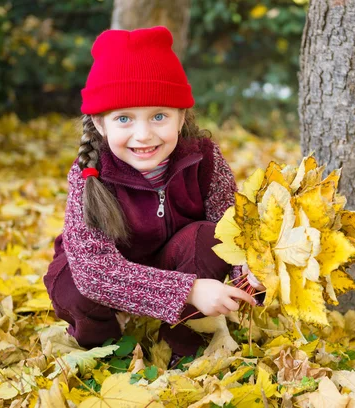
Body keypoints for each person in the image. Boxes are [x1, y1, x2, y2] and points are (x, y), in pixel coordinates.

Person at [43, 26, 257, 359]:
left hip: (177, 260)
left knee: (209, 237)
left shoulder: (204, 158)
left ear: (180, 115)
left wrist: (249, 275)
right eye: (124, 119)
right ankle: (108, 350)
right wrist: (188, 290)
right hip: (113, 276)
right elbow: (94, 271)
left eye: (159, 116)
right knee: (71, 280)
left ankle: (183, 346)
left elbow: (232, 228)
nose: (143, 135)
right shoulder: (89, 173)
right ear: (100, 124)